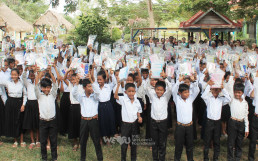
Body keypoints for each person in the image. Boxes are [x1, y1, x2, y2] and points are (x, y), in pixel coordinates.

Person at [72, 76, 103, 161]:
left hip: (93, 121)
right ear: (84, 88)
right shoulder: (81, 97)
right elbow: (73, 94)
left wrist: (92, 82)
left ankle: (100, 158)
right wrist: (76, 84)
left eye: (91, 86)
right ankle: (83, 158)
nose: (91, 88)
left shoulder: (95, 97)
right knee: (83, 141)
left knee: (96, 141)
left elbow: (97, 91)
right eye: (89, 86)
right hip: (84, 121)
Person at [202, 80, 231, 161]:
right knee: (207, 140)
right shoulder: (208, 99)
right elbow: (203, 95)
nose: (215, 91)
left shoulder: (221, 100)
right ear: (211, 90)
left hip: (217, 122)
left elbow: (229, 99)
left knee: (217, 141)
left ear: (219, 91)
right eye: (214, 89)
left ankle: (216, 157)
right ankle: (206, 157)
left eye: (217, 90)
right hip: (209, 122)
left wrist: (223, 89)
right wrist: (209, 86)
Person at [172, 75, 200, 161]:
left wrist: (193, 81)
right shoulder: (177, 99)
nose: (187, 94)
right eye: (185, 92)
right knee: (179, 146)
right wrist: (179, 81)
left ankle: (190, 159)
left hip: (189, 126)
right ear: (180, 93)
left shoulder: (190, 99)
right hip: (180, 127)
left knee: (190, 146)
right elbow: (173, 90)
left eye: (188, 92)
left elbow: (197, 90)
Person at [146, 72, 172, 161]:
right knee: (154, 142)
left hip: (163, 123)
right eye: (157, 89)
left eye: (161, 90)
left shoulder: (166, 97)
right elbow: (147, 88)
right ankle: (155, 158)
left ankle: (162, 158)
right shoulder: (152, 96)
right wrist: (149, 79)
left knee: (162, 142)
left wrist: (165, 78)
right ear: (155, 89)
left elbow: (170, 88)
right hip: (153, 122)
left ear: (164, 90)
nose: (159, 92)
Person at [114, 81, 142, 161]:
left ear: (135, 92)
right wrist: (118, 85)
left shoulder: (137, 102)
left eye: (132, 91)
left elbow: (138, 111)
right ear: (125, 92)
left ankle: (133, 159)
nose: (131, 93)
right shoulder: (123, 99)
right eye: (129, 91)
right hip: (125, 125)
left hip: (134, 125)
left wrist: (139, 117)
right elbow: (115, 96)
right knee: (124, 145)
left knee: (134, 144)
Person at [35, 68, 58, 161]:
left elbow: (55, 84)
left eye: (48, 87)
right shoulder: (39, 96)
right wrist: (40, 73)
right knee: (43, 141)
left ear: (50, 87)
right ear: (41, 87)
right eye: (44, 87)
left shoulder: (53, 95)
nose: (46, 89)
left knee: (53, 141)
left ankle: (54, 157)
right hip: (43, 121)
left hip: (52, 121)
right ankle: (44, 158)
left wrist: (50, 72)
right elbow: (36, 84)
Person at [0, 68, 27, 148]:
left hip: (19, 102)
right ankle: (15, 141)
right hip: (10, 103)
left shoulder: (22, 83)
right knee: (13, 121)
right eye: (12, 74)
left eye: (15, 74)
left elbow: (25, 95)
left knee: (20, 121)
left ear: (18, 75)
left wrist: (23, 105)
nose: (13, 76)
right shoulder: (8, 82)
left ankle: (22, 140)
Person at [224, 76, 249, 161]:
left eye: (239, 92)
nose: (237, 94)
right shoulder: (232, 100)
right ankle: (230, 158)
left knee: (239, 142)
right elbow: (228, 89)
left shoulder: (245, 103)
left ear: (242, 93)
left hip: (241, 123)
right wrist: (231, 77)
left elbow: (246, 116)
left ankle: (237, 157)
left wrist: (247, 128)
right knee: (231, 142)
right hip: (233, 122)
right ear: (233, 92)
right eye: (236, 92)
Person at [91, 67, 116, 143]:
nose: (99, 81)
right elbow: (92, 80)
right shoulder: (95, 87)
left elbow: (115, 82)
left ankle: (108, 139)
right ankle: (101, 138)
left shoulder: (108, 86)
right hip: (100, 106)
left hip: (108, 105)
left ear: (105, 80)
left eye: (100, 80)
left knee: (108, 121)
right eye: (98, 80)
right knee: (101, 122)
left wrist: (111, 73)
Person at [22, 67, 40, 149]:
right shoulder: (27, 83)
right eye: (31, 75)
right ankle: (32, 140)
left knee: (37, 123)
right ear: (29, 76)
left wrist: (36, 72)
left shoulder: (38, 83)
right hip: (29, 103)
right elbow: (23, 77)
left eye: (33, 75)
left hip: (37, 103)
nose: (32, 76)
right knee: (30, 123)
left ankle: (38, 140)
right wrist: (25, 69)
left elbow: (38, 77)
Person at [64, 71, 82, 151]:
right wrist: (68, 71)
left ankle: (81, 142)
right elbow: (64, 79)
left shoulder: (81, 86)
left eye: (75, 79)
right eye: (72, 79)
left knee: (81, 125)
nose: (73, 81)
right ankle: (75, 142)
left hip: (80, 107)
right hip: (73, 106)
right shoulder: (70, 86)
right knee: (73, 124)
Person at [248, 73, 258, 161]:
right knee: (253, 139)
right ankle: (251, 158)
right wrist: (255, 86)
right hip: (256, 117)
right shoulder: (256, 88)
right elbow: (251, 95)